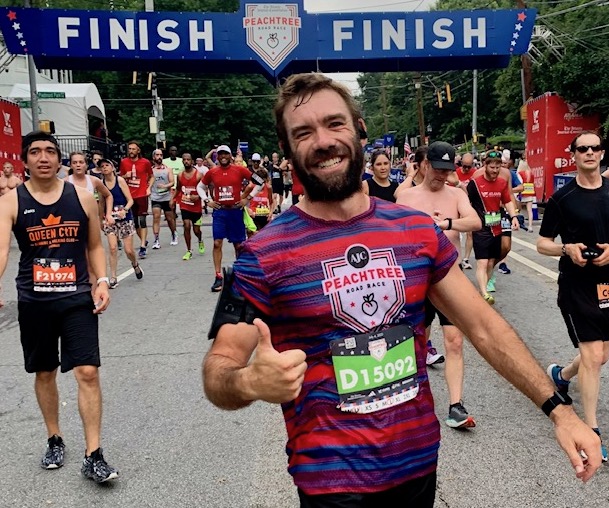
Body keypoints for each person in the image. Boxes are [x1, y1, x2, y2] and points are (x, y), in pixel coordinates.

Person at [202, 73, 601, 507]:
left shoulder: (415, 231)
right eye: (303, 132)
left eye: (335, 124)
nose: (322, 140)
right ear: (287, 150)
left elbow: (483, 326)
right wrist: (249, 382)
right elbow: (218, 370)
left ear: (359, 131)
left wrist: (560, 412)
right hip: (332, 484)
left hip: (417, 467)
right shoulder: (262, 255)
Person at [0, 131, 118, 483]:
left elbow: (95, 245)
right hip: (35, 300)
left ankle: (93, 454)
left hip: (76, 297)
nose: (43, 157)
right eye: (35, 152)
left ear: (60, 159)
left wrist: (101, 281)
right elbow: (2, 251)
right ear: (25, 161)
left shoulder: (83, 198)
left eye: (50, 151)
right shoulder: (10, 201)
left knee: (87, 372)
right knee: (45, 372)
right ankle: (55, 438)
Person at [396, 141, 482, 429]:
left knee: (455, 341)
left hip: (450, 278)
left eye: (447, 170)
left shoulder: (456, 193)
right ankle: (412, 401)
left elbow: (475, 222)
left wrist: (446, 224)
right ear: (423, 165)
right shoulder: (406, 199)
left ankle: (455, 406)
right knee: (415, 343)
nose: (442, 175)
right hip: (417, 281)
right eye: (437, 169)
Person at [538, 131, 609, 462]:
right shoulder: (562, 199)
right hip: (576, 286)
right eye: (583, 149)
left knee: (601, 355)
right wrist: (566, 248)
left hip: (608, 283)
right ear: (574, 156)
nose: (590, 153)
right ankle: (592, 431)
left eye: (595, 148)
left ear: (602, 153)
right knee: (593, 356)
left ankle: (561, 376)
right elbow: (542, 243)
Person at [467, 151, 519, 304]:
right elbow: (466, 203)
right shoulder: (475, 184)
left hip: (496, 226)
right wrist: (469, 220)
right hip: (481, 228)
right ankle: (484, 293)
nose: (495, 171)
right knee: (482, 262)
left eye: (498, 167)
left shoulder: (502, 183)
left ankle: (483, 287)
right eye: (492, 167)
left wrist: (514, 216)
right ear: (485, 166)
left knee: (491, 262)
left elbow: (507, 201)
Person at [201, 144, 253, 292]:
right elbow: (200, 187)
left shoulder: (239, 170)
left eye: (225, 154)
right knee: (217, 243)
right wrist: (207, 201)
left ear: (230, 156)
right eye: (220, 154)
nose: (223, 157)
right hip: (220, 212)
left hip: (235, 212)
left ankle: (240, 276)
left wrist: (247, 199)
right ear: (217, 156)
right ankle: (218, 276)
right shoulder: (213, 172)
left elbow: (260, 181)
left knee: (238, 245)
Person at [99, 158, 143, 287]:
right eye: (102, 166)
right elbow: (101, 203)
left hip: (124, 217)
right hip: (110, 219)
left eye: (107, 165)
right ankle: (113, 276)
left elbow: (130, 200)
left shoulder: (120, 181)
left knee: (128, 250)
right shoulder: (101, 184)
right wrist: (101, 219)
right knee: (112, 248)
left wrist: (125, 210)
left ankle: (135, 264)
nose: (104, 168)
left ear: (113, 168)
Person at [119, 141, 153, 259]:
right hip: (129, 196)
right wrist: (125, 176)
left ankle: (143, 246)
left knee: (142, 220)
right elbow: (120, 177)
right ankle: (143, 239)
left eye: (134, 149)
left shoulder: (145, 162)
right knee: (134, 222)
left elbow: (151, 176)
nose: (131, 151)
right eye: (130, 149)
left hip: (141, 194)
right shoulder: (124, 162)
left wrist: (149, 188)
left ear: (138, 150)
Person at [172, 153, 205, 260]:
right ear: (182, 161)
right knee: (186, 225)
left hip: (196, 206)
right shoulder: (180, 175)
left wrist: (198, 197)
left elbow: (205, 189)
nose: (186, 161)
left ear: (192, 161)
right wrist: (172, 199)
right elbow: (178, 188)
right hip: (185, 204)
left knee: (196, 230)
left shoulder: (199, 175)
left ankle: (200, 240)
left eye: (188, 160)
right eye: (184, 160)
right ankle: (189, 250)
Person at [150, 149, 178, 249]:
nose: (159, 157)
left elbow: (172, 182)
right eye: (157, 155)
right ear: (153, 157)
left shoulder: (168, 169)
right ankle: (156, 239)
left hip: (166, 197)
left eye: (161, 155)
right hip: (155, 197)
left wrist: (165, 186)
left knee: (170, 218)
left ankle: (174, 234)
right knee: (156, 217)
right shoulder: (150, 170)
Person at [456, 153, 476, 269]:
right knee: (455, 232)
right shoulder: (456, 173)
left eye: (469, 166)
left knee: (470, 233)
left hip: (469, 205)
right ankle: (456, 255)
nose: (467, 169)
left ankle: (466, 258)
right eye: (465, 166)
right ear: (461, 164)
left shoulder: (474, 174)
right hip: (456, 206)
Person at [518, 158, 536, 233]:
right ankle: (530, 226)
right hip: (530, 192)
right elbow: (534, 184)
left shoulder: (520, 173)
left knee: (517, 209)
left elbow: (519, 183)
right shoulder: (531, 174)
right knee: (529, 210)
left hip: (522, 193)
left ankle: (517, 223)